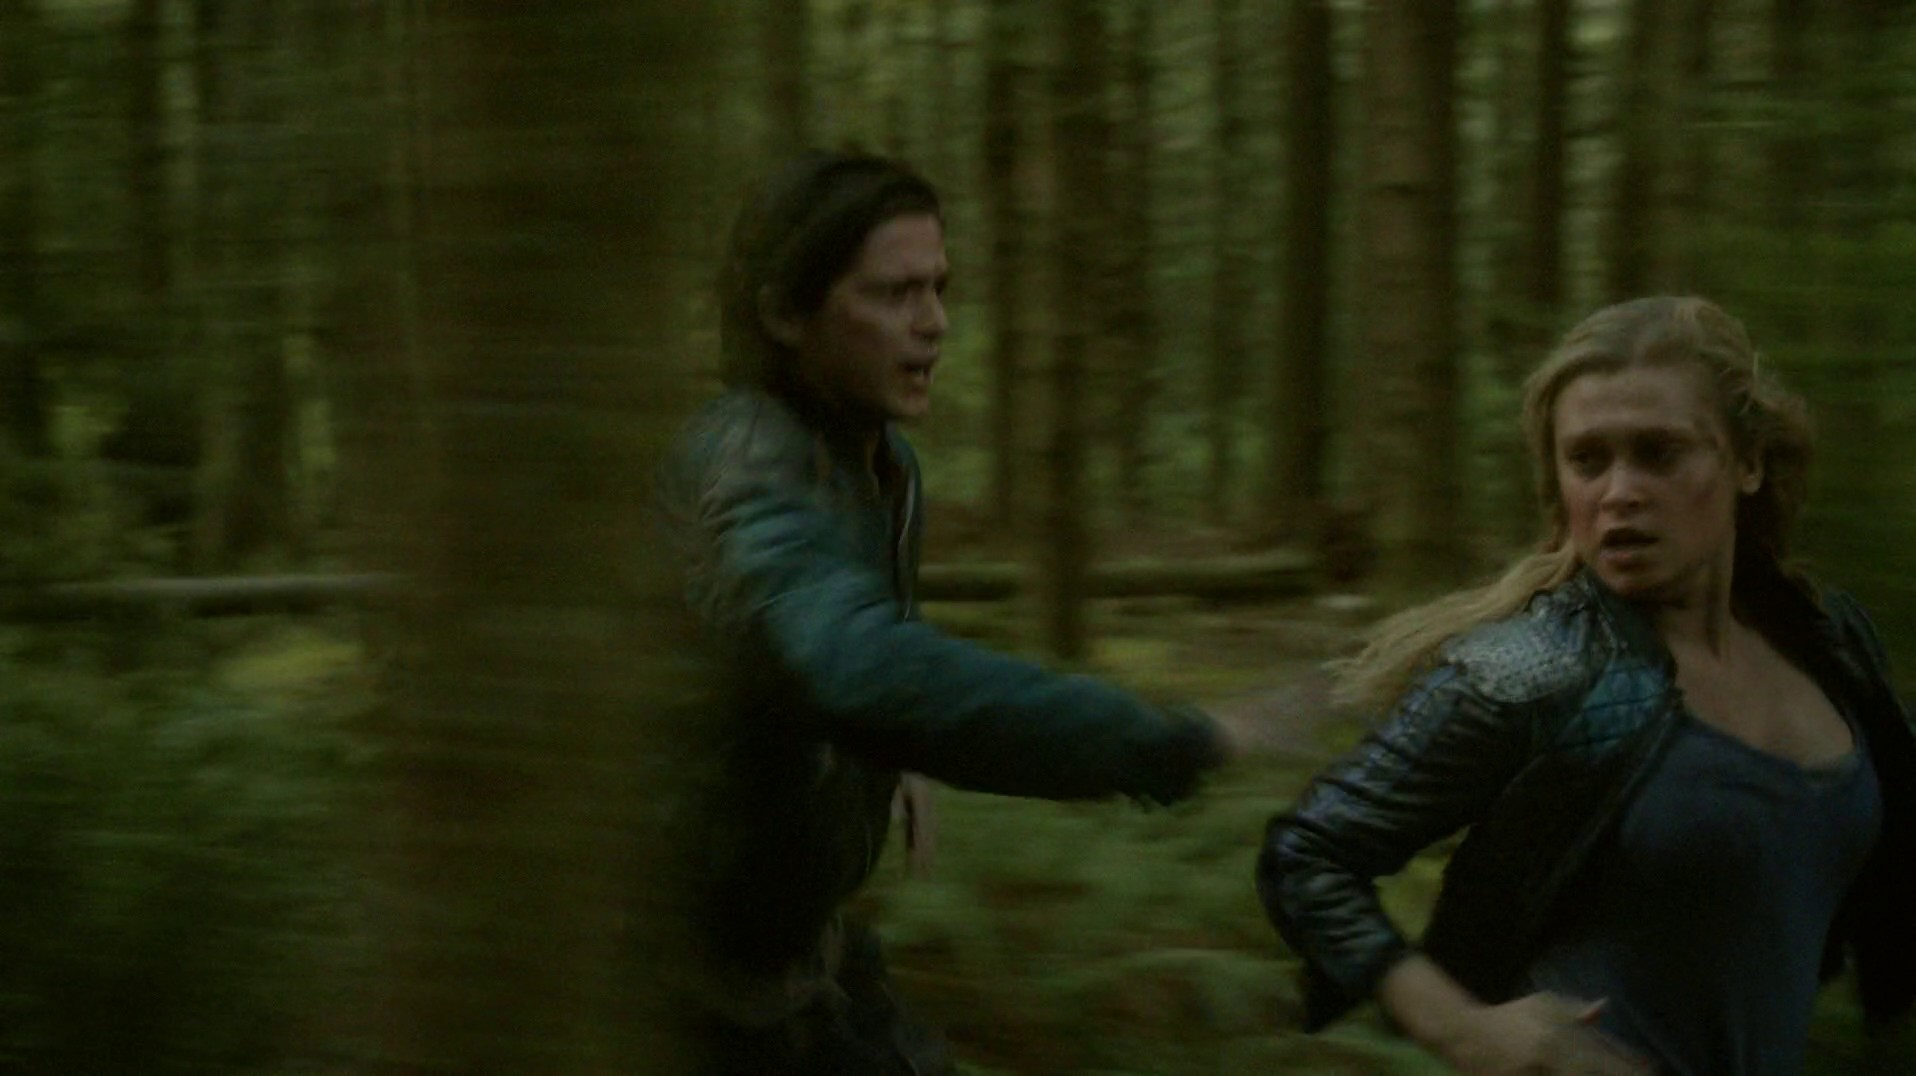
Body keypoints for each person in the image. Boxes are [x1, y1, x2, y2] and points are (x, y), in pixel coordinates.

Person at [655, 150, 1283, 1075]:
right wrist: (1166, 742)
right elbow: (849, 661)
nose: (935, 324)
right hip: (676, 999)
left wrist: (888, 752)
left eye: (939, 289)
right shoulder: (745, 462)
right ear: (786, 313)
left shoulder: (881, 466)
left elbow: (832, 651)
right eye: (894, 294)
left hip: (793, 967)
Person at [1257, 296, 1916, 1075]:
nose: (1619, 492)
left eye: (1659, 453)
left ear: (1748, 463)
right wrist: (1463, 1030)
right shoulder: (1536, 670)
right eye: (1588, 460)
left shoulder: (1830, 645)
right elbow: (1308, 856)